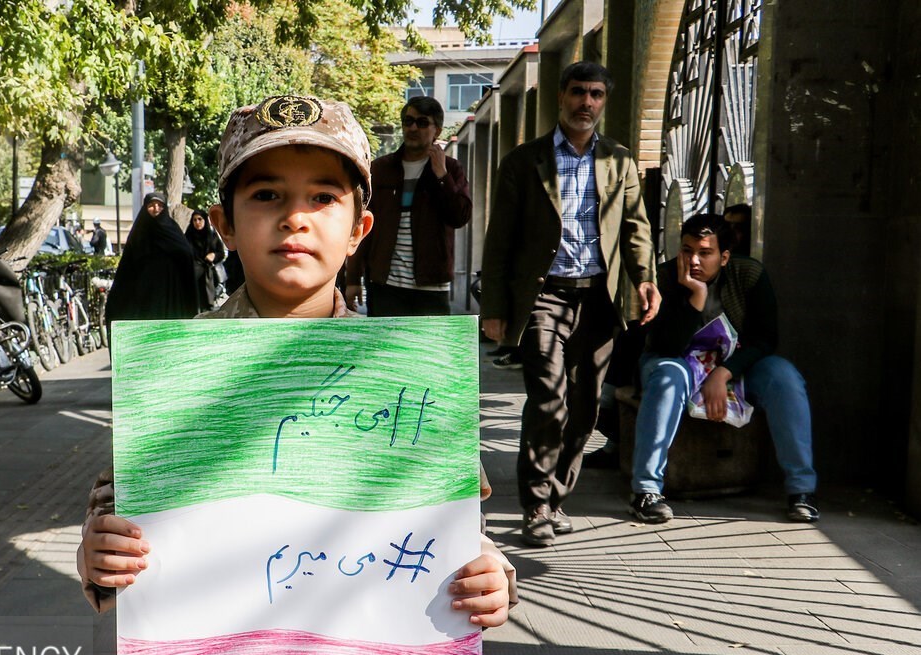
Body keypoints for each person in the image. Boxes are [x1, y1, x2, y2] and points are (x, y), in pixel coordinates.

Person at [77, 94, 516, 655]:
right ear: (222, 224)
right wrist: (97, 559)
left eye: (323, 196)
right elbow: (121, 522)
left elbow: (446, 534)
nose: (295, 217)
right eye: (266, 195)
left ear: (360, 231)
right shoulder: (175, 375)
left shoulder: (408, 380)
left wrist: (488, 575)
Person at [480, 61, 661, 547]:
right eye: (579, 92)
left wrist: (645, 279)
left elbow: (636, 228)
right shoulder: (525, 161)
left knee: (584, 409)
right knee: (548, 399)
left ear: (604, 101)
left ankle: (557, 497)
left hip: (600, 298)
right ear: (561, 96)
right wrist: (494, 305)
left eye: (596, 94)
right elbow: (501, 238)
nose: (587, 103)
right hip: (544, 294)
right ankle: (535, 502)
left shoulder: (619, 162)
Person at [629, 212, 819, 524]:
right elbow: (665, 346)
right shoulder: (665, 278)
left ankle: (802, 491)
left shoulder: (749, 275)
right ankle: (646, 490)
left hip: (735, 366)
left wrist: (724, 372)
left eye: (705, 253)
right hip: (675, 362)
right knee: (668, 377)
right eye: (687, 250)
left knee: (784, 377)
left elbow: (765, 339)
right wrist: (696, 298)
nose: (693, 261)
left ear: (724, 256)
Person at [344, 95, 472, 316]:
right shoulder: (380, 169)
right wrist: (353, 279)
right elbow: (360, 226)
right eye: (408, 121)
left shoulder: (451, 169)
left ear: (437, 131)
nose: (413, 128)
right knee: (384, 351)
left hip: (431, 285)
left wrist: (441, 175)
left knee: (430, 350)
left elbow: (459, 216)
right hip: (385, 284)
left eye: (422, 123)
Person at [103, 192, 197, 329]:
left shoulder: (172, 229)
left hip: (169, 288)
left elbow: (186, 253)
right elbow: (128, 263)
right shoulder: (139, 231)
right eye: (151, 205)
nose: (156, 209)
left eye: (160, 205)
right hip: (144, 289)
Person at [184, 208, 226, 311]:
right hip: (193, 276)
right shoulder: (188, 237)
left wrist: (213, 256)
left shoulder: (212, 236)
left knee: (208, 307)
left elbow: (221, 253)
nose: (197, 222)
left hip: (208, 276)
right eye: (194, 220)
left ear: (205, 220)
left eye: (200, 219)